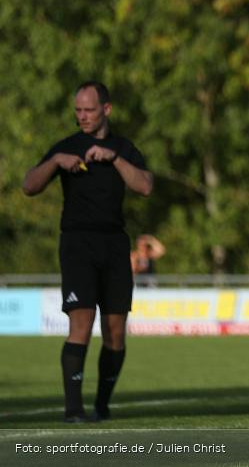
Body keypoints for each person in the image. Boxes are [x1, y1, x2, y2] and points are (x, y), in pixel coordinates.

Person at [22, 81, 153, 423]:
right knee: (81, 324)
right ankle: (73, 410)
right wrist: (54, 161)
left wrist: (114, 159)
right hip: (78, 243)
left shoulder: (124, 147)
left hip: (114, 244)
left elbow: (145, 186)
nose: (82, 116)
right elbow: (29, 186)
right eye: (78, 110)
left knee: (115, 332)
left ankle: (102, 406)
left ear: (106, 110)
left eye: (89, 110)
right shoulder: (66, 147)